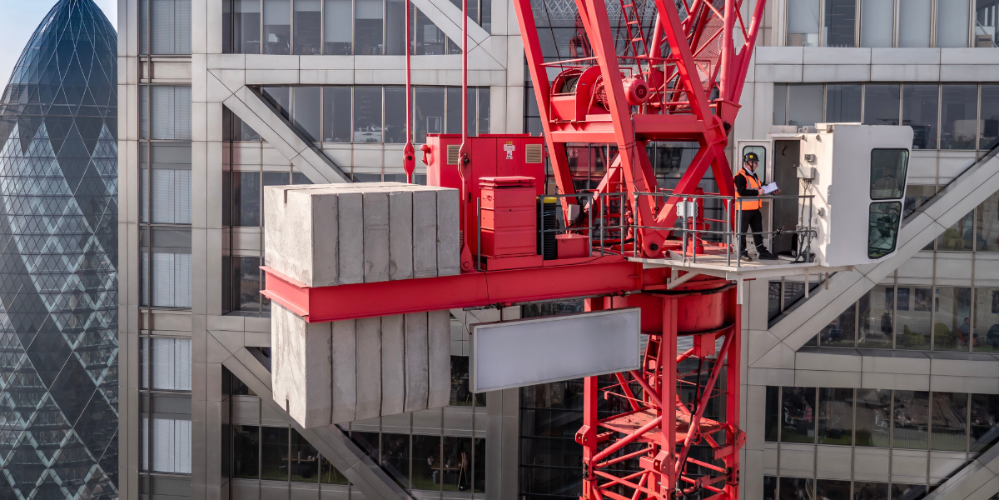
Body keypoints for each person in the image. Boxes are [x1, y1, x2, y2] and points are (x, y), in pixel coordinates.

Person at [734, 152, 778, 261]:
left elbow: (759, 189)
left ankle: (762, 252)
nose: (757, 165)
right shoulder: (740, 176)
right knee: (742, 232)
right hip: (744, 209)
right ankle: (742, 252)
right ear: (749, 163)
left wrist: (771, 191)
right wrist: (757, 191)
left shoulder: (754, 175)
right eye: (756, 162)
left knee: (758, 231)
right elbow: (742, 191)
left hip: (754, 209)